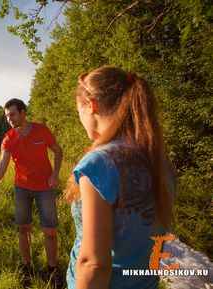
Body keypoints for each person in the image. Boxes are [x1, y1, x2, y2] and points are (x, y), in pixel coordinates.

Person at [65, 65, 176, 288]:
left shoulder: (99, 163)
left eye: (79, 111)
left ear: (91, 105)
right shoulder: (160, 161)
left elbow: (94, 264)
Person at [0, 98, 63, 287]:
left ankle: (52, 268)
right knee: (23, 229)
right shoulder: (8, 138)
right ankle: (26, 266)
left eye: (12, 114)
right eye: (7, 116)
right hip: (21, 188)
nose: (10, 119)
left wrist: (55, 174)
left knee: (50, 231)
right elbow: (3, 165)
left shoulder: (42, 130)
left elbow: (58, 151)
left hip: (44, 187)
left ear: (23, 113)